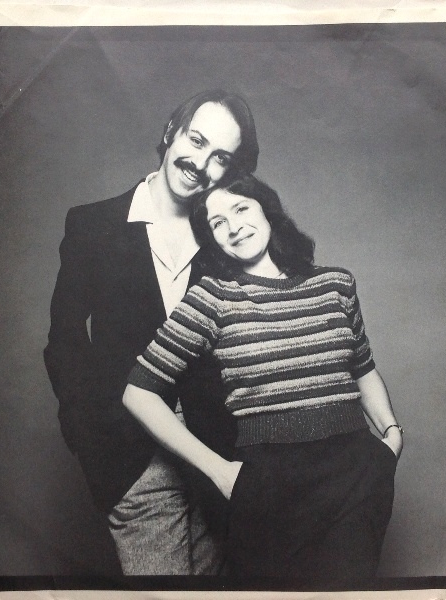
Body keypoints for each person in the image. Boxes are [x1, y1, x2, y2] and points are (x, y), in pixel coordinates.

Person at [123, 174, 403, 584]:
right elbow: (138, 393)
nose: (234, 227)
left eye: (241, 208)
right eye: (218, 223)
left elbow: (362, 368)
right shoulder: (212, 297)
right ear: (211, 238)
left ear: (267, 210)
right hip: (267, 485)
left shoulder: (335, 284)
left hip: (355, 475)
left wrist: (391, 437)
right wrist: (219, 471)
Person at [43, 90, 259, 575]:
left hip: (214, 459)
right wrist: (94, 446)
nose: (200, 163)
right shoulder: (94, 225)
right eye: (196, 141)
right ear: (170, 132)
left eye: (220, 157)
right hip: (132, 459)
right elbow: (64, 343)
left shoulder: (223, 238)